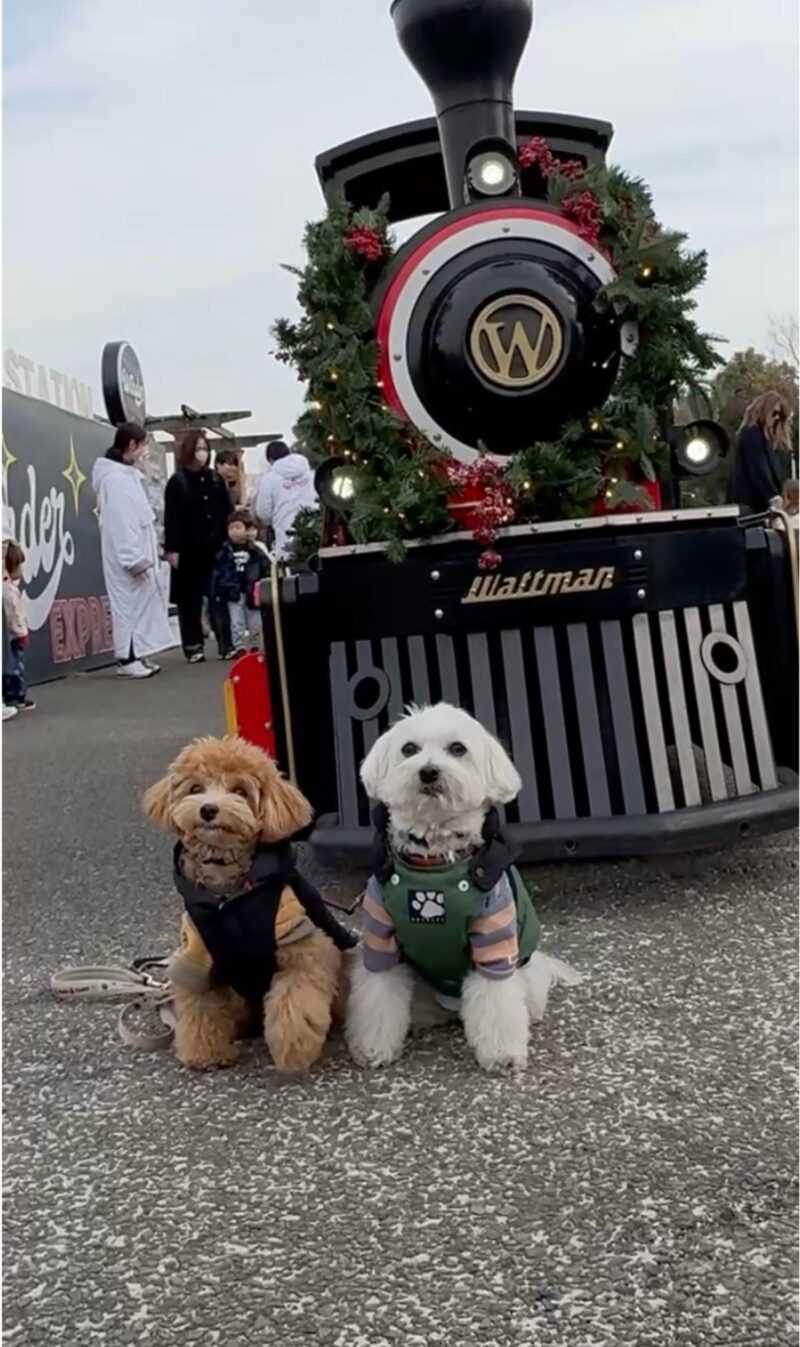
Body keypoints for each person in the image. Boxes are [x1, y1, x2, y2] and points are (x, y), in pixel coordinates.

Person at [92, 423, 173, 680]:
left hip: (136, 553)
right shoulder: (116, 481)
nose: (145, 450)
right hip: (126, 557)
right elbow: (122, 521)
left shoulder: (125, 477)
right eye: (143, 444)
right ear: (132, 445)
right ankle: (127, 657)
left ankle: (136, 652)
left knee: (138, 607)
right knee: (126, 607)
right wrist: (133, 559)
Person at [164, 430, 233, 662]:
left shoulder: (216, 480)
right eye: (198, 449)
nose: (201, 454)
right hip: (187, 549)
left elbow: (227, 513)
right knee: (189, 600)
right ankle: (193, 646)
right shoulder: (177, 482)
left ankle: (226, 644)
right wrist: (171, 549)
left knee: (219, 596)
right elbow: (171, 518)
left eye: (205, 449)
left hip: (215, 548)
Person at [211, 508, 270, 655]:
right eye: (231, 528)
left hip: (252, 590)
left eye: (238, 527)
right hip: (233, 591)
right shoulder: (225, 551)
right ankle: (239, 647)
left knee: (255, 621)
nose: (235, 532)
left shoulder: (255, 550)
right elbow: (218, 571)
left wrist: (263, 585)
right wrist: (218, 589)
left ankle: (256, 645)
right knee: (237, 622)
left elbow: (265, 567)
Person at [727, 391, 794, 515]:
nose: (777, 418)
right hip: (752, 506)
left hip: (762, 505)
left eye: (781, 415)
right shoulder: (751, 433)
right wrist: (772, 496)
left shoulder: (771, 440)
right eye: (774, 413)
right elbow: (758, 468)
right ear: (764, 410)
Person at [254, 441, 318, 559]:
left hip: (285, 533)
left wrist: (273, 521)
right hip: (313, 530)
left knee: (290, 571)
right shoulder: (311, 475)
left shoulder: (269, 479)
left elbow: (263, 512)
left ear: (271, 460)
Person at [2, 541, 35, 710]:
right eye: (19, 565)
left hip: (11, 636)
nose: (22, 570)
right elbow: (13, 616)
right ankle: (15, 696)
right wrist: (21, 632)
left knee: (13, 667)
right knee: (14, 668)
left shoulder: (9, 589)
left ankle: (13, 696)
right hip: (13, 638)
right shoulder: (8, 591)